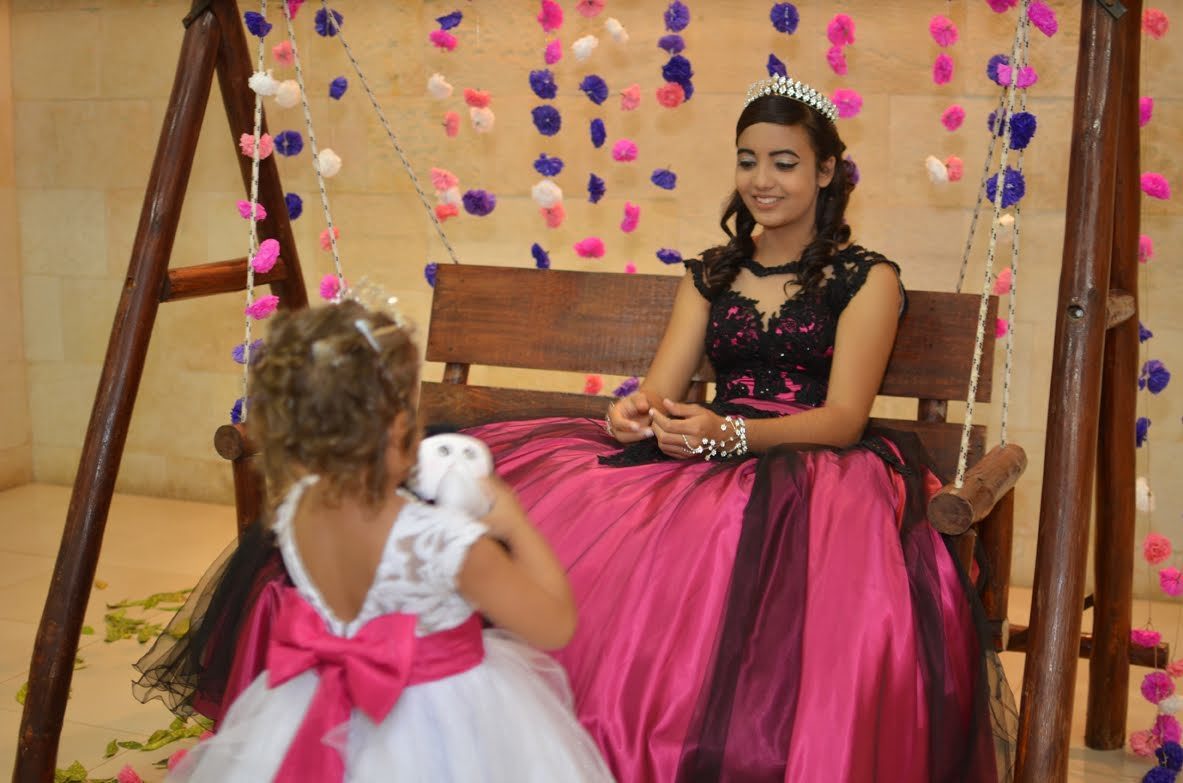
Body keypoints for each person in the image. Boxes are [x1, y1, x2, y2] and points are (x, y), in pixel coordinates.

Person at [461, 74, 1016, 782]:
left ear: (824, 171)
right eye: (748, 160)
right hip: (704, 448)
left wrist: (731, 436)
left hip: (815, 461)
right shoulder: (712, 274)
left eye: (784, 162)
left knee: (722, 544)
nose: (761, 180)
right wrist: (633, 412)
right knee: (588, 515)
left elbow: (844, 418)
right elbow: (661, 388)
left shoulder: (864, 278)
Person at [163, 299, 613, 781]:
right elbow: (554, 626)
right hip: (445, 727)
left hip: (323, 711)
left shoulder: (297, 508)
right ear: (399, 427)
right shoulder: (445, 541)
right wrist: (515, 523)